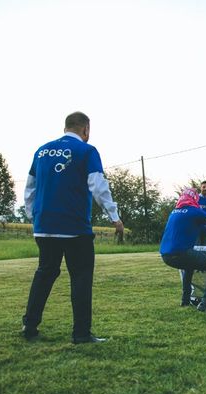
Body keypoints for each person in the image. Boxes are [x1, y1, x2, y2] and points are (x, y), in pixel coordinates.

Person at [22, 112, 124, 344]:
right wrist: (114, 217)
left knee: (45, 273)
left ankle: (30, 325)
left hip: (44, 227)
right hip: (74, 228)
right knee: (80, 277)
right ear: (85, 129)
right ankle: (81, 334)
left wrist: (34, 216)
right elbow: (98, 185)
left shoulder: (41, 151)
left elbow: (30, 189)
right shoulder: (87, 151)